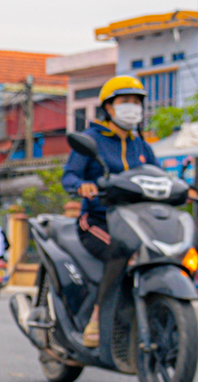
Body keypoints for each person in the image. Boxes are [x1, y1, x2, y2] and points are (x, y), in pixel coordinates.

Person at [59, 77, 157, 340]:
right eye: (125, 101)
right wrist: (83, 186)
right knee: (122, 249)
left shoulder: (142, 146)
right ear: (109, 108)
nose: (132, 107)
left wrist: (185, 189)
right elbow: (69, 176)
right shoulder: (91, 140)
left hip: (137, 222)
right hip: (97, 220)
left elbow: (159, 176)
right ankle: (97, 319)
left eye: (137, 102)